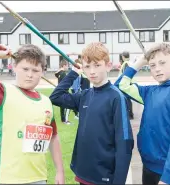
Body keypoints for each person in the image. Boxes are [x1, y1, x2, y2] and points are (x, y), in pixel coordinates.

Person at [0, 44, 65, 184]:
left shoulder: (46, 102)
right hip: (5, 178)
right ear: (14, 66)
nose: (30, 74)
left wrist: (60, 171)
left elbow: (53, 137)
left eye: (35, 70)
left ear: (42, 72)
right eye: (25, 69)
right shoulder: (1, 92)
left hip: (38, 178)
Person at [50, 42, 134, 185]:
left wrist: (119, 181)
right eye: (87, 67)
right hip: (83, 172)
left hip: (104, 175)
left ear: (108, 65)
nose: (92, 71)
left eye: (97, 65)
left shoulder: (116, 98)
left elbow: (125, 142)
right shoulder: (85, 95)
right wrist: (73, 74)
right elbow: (55, 97)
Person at [114, 43, 170, 185]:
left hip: (166, 171)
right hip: (149, 164)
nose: (157, 69)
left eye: (162, 63)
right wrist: (140, 63)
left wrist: (168, 176)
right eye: (152, 65)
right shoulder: (150, 92)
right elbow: (120, 86)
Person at [118, 51, 134, 120]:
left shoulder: (126, 63)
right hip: (129, 82)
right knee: (128, 99)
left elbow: (125, 74)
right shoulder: (130, 63)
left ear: (123, 57)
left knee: (127, 99)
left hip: (125, 83)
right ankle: (130, 114)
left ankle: (130, 114)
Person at [54, 60, 71, 125]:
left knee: (62, 106)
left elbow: (55, 74)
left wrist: (60, 69)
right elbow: (66, 83)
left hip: (60, 91)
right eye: (67, 66)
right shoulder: (63, 73)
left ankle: (63, 120)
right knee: (66, 106)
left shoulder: (59, 73)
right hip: (64, 91)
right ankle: (65, 120)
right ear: (64, 66)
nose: (68, 67)